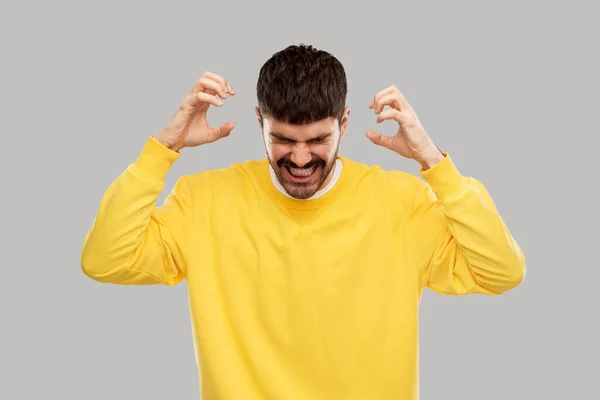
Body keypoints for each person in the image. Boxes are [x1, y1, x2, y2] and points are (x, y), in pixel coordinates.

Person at [81, 44, 526, 400]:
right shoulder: (205, 200)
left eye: (317, 139)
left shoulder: (401, 202)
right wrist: (164, 148)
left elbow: (502, 272)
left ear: (344, 124)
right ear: (260, 122)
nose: (298, 158)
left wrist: (434, 163)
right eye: (281, 139)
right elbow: (105, 259)